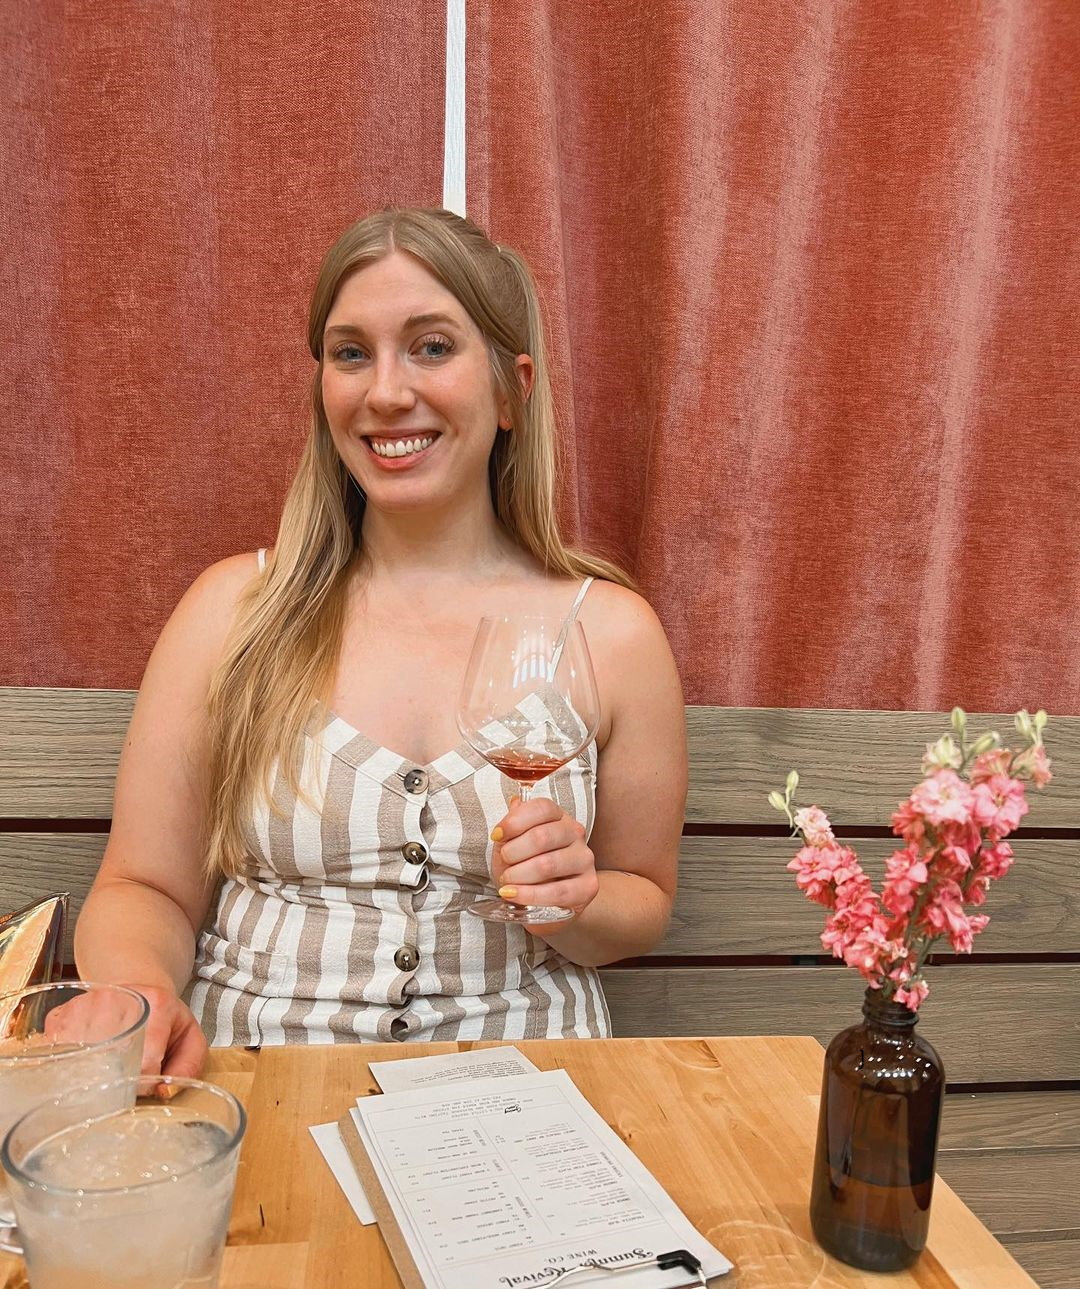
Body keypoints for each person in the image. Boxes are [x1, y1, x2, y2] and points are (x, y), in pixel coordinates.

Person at [74, 208, 687, 1076]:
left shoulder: (612, 632)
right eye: (351, 353)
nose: (387, 392)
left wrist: (576, 901)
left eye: (432, 347)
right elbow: (145, 886)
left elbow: (644, 896)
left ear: (511, 390)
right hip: (259, 1076)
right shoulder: (232, 612)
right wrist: (139, 996)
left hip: (527, 1084)